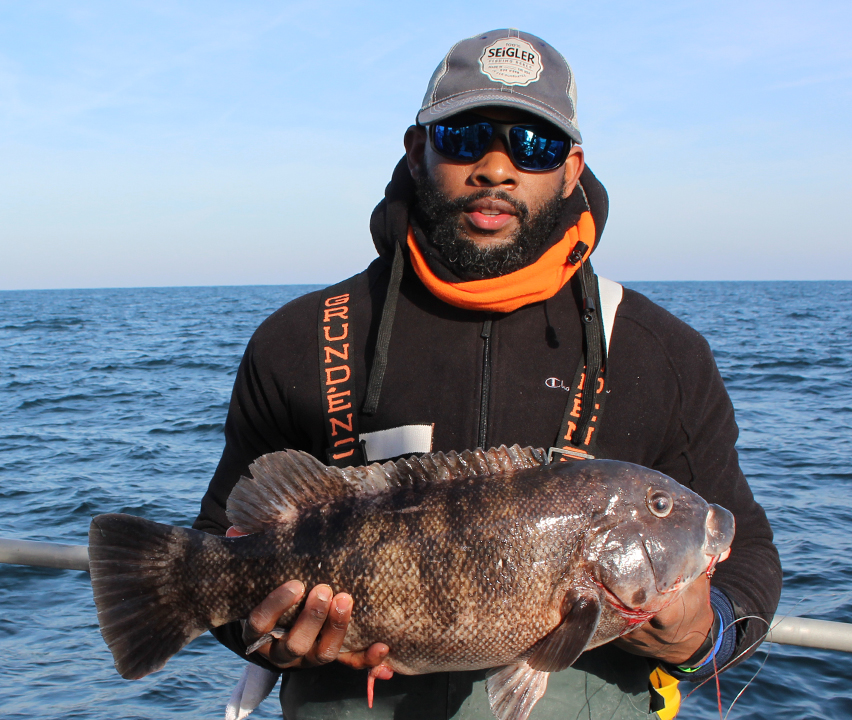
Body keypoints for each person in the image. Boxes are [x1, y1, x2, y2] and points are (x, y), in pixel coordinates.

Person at [194, 28, 781, 720]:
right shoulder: (300, 339)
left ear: (571, 169)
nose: (497, 169)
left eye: (535, 145)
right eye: (467, 138)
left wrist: (699, 629)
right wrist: (276, 643)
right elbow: (217, 558)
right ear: (418, 153)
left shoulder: (664, 352)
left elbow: (749, 562)